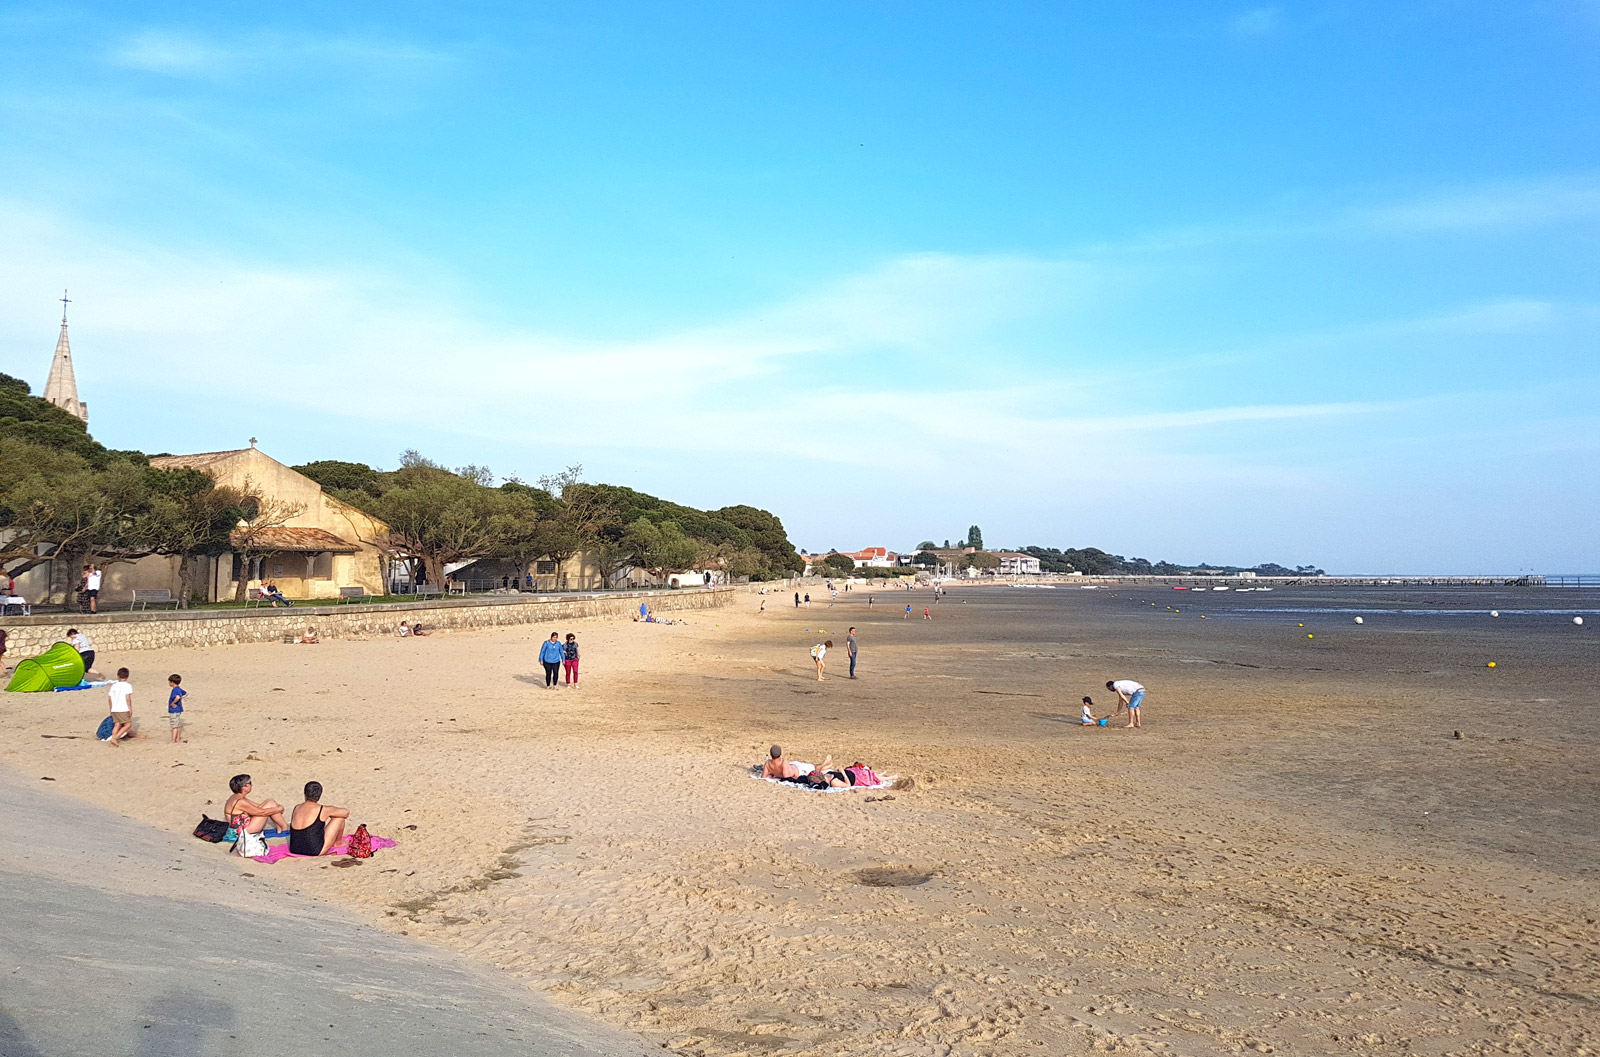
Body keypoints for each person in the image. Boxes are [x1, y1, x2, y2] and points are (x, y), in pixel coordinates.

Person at [289, 780, 351, 856]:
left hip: (294, 848)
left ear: (305, 793)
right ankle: (338, 842)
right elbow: (346, 813)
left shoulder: (297, 807)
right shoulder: (322, 809)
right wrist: (331, 814)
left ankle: (338, 842)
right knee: (339, 818)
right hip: (315, 850)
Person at [224, 774, 288, 838]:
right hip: (242, 832)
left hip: (242, 828)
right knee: (270, 804)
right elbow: (261, 812)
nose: (252, 785)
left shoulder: (237, 797)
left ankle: (281, 828)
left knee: (270, 802)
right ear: (243, 787)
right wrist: (278, 809)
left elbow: (257, 807)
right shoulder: (240, 801)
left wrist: (276, 808)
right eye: (250, 783)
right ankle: (284, 827)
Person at [107, 667, 133, 746]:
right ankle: (115, 738)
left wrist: (111, 708)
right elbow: (128, 698)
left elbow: (110, 699)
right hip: (123, 708)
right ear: (127, 676)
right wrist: (130, 708)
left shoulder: (114, 686)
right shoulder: (127, 686)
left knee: (117, 724)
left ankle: (113, 739)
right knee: (128, 725)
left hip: (115, 708)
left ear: (118, 676)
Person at [167, 674, 186, 743]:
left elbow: (177, 697)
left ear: (172, 682)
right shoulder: (179, 689)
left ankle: (173, 739)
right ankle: (177, 739)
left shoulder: (175, 690)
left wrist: (173, 703)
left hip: (174, 710)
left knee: (174, 726)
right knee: (177, 725)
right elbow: (185, 693)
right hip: (178, 710)